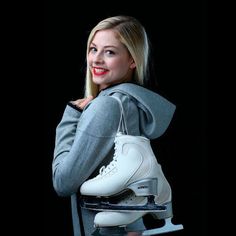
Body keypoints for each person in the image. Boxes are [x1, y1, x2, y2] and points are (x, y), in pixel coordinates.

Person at [52, 15, 177, 236]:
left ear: (132, 60)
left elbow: (63, 182)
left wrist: (69, 119)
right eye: (93, 49)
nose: (96, 60)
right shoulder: (131, 103)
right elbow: (128, 182)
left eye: (109, 52)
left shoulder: (106, 107)